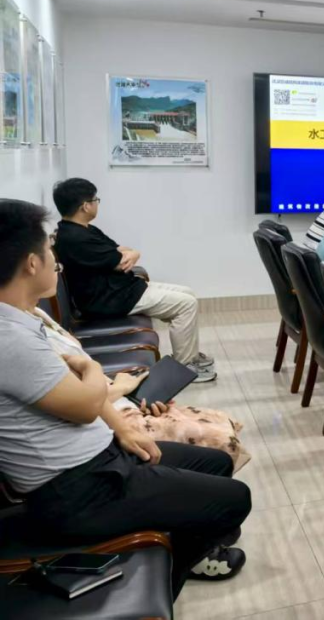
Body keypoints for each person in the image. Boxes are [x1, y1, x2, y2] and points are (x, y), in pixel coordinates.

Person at [0, 199, 252, 597]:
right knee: (236, 499)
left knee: (216, 463)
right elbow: (86, 405)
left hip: (99, 459)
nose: (56, 261)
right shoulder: (10, 339)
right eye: (49, 250)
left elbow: (82, 394)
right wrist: (90, 368)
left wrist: (121, 428)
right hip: (78, 491)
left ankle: (188, 541)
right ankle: (171, 572)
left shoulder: (21, 319)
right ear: (31, 263)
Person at [32, 305, 251, 471]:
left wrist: (127, 393)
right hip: (109, 420)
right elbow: (81, 404)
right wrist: (120, 387)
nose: (57, 267)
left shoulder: (38, 314)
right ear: (31, 265)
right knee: (219, 440)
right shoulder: (30, 343)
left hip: (115, 400)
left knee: (219, 419)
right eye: (55, 265)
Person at [52, 178, 215, 383]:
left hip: (119, 289)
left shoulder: (83, 229)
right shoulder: (76, 238)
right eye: (95, 200)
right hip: (109, 299)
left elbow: (121, 250)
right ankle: (185, 366)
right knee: (186, 304)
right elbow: (121, 261)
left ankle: (189, 355)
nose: (97, 204)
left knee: (187, 293)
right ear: (85, 206)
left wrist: (133, 253)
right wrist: (131, 254)